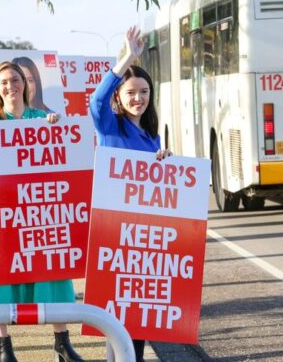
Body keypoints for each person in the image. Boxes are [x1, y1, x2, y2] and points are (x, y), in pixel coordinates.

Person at [0, 51, 85, 362]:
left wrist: (55, 127)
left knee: (50, 267)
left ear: (26, 85)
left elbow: (66, 153)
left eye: (16, 80)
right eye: (4, 82)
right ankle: (3, 346)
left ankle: (62, 341)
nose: (11, 86)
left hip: (38, 210)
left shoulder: (40, 119)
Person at [90, 26, 172, 362]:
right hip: (116, 232)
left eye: (144, 91)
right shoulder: (110, 127)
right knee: (117, 313)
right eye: (131, 92)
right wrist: (127, 58)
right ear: (119, 98)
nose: (138, 98)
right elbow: (95, 100)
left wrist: (166, 162)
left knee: (137, 313)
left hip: (145, 234)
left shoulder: (151, 136)